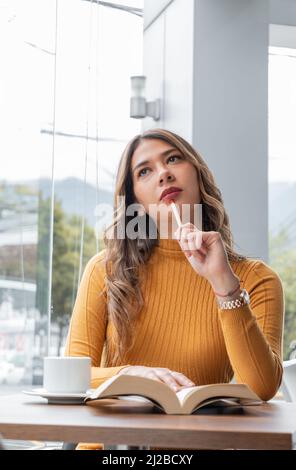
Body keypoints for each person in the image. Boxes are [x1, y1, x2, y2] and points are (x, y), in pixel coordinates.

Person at [64, 128, 284, 450]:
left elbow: (262, 387)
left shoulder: (256, 279)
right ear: (135, 199)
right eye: (145, 171)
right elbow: (71, 379)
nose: (164, 173)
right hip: (110, 450)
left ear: (196, 172)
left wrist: (224, 284)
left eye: (173, 159)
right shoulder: (105, 270)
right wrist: (135, 377)